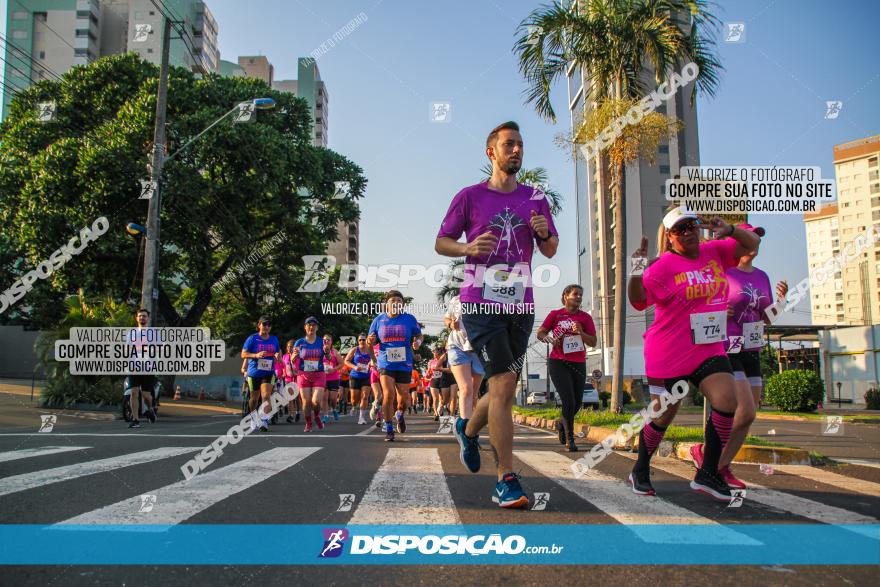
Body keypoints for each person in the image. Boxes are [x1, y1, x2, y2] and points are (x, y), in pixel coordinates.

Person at [436, 121, 558, 509]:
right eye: (509, 145)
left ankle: (468, 429)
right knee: (503, 385)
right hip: (479, 303)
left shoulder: (536, 197)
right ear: (491, 152)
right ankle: (506, 477)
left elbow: (552, 249)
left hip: (520, 304)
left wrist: (543, 232)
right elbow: (442, 242)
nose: (516, 151)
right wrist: (467, 249)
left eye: (520, 145)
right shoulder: (469, 197)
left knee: (501, 386)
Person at [627, 206, 759, 501]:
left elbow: (752, 245)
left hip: (707, 347)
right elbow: (637, 301)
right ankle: (640, 468)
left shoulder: (715, 252)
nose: (687, 232)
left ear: (698, 227)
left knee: (728, 399)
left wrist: (731, 230)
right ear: (670, 237)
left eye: (691, 226)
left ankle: (708, 472)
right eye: (679, 229)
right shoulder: (661, 268)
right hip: (669, 350)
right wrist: (636, 269)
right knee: (663, 416)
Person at [690, 224, 788, 489]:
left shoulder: (762, 276)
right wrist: (719, 310)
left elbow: (765, 318)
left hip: (751, 348)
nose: (754, 242)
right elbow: (698, 305)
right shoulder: (722, 272)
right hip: (726, 345)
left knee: (749, 415)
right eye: (750, 237)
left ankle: (718, 464)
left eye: (756, 238)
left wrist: (781, 301)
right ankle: (713, 463)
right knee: (742, 410)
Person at [537, 284, 597, 452]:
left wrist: (581, 333)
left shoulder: (585, 318)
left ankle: (561, 423)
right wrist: (549, 340)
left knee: (577, 402)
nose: (578, 297)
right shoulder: (555, 315)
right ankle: (570, 439)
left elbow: (593, 342)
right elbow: (540, 333)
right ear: (565, 296)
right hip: (558, 362)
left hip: (578, 362)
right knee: (568, 400)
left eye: (580, 295)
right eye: (575, 294)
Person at [367, 290, 423, 441]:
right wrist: (372, 353)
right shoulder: (378, 320)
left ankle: (399, 414)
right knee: (388, 394)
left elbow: (419, 335)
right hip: (385, 363)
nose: (396, 303)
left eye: (399, 301)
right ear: (386, 305)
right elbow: (370, 342)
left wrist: (417, 342)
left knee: (404, 400)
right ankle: (389, 428)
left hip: (404, 363)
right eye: (393, 301)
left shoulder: (409, 319)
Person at [444, 294, 485, 422]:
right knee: (466, 389)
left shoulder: (491, 299)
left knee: (473, 393)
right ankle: (465, 429)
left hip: (479, 348)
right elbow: (447, 318)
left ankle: (472, 424)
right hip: (457, 346)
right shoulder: (456, 299)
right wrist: (451, 324)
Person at [240, 316, 281, 432]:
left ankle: (263, 420)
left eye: (269, 325)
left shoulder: (274, 339)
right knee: (254, 399)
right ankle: (254, 416)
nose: (266, 327)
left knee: (266, 396)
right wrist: (256, 355)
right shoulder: (252, 339)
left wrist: (278, 357)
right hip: (254, 373)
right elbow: (243, 354)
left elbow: (278, 353)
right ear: (259, 325)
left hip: (269, 372)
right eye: (264, 324)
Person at [292, 316, 326, 432]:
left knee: (316, 402)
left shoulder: (322, 342)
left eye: (313, 325)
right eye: (309, 325)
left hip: (318, 374)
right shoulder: (299, 342)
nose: (311, 327)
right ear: (305, 327)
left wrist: (327, 352)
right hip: (303, 374)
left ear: (317, 328)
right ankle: (308, 423)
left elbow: (329, 357)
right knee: (306, 402)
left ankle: (316, 415)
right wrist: (294, 356)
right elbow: (292, 359)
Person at [126, 308, 157, 429]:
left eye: (144, 316)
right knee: (133, 393)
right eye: (140, 316)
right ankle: (135, 419)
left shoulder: (153, 333)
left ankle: (150, 409)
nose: (142, 318)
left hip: (148, 367)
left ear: (148, 318)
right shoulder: (132, 333)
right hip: (134, 367)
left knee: (146, 396)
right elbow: (128, 349)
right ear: (136, 318)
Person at [344, 334, 374, 425]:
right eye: (360, 340)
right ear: (358, 341)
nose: (362, 341)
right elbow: (346, 361)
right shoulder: (354, 350)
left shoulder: (370, 350)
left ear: (366, 340)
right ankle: (354, 406)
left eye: (364, 340)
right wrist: (354, 367)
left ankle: (361, 417)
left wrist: (371, 363)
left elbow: (375, 359)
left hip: (366, 376)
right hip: (355, 376)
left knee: (364, 397)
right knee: (354, 399)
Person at [323, 334, 343, 422]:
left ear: (331, 342)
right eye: (324, 340)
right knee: (325, 397)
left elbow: (341, 364)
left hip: (334, 378)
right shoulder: (319, 352)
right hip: (323, 378)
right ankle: (326, 416)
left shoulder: (335, 352)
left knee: (333, 399)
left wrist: (334, 369)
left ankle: (334, 409)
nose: (326, 341)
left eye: (328, 340)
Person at [281, 340, 301, 423]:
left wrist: (297, 372)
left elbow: (301, 367)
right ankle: (291, 415)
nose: (289, 348)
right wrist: (283, 372)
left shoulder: (298, 357)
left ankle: (298, 412)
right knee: (290, 398)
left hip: (297, 378)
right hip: (288, 379)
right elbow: (283, 366)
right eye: (288, 346)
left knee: (297, 398)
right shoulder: (285, 356)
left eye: (291, 346)